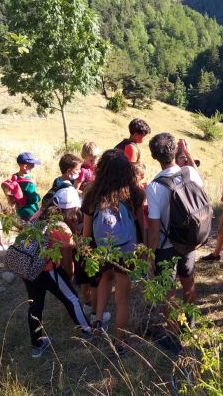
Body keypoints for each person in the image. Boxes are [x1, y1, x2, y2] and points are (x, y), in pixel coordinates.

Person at [81, 150, 146, 355]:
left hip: (102, 248)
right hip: (126, 249)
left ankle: (98, 320)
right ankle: (120, 342)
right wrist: (144, 248)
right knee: (122, 298)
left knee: (106, 278)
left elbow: (86, 230)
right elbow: (140, 224)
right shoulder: (135, 192)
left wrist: (85, 251)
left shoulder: (92, 193)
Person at [146, 134, 203, 354]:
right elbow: (197, 175)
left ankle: (172, 334)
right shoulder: (190, 173)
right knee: (188, 282)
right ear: (175, 152)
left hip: (166, 246)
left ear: (154, 156)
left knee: (168, 291)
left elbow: (154, 227)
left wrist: (150, 255)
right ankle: (190, 322)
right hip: (188, 242)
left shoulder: (154, 187)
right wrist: (187, 151)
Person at [21, 186, 92, 358]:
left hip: (28, 267)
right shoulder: (61, 229)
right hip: (47, 269)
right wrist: (70, 275)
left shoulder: (38, 215)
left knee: (35, 305)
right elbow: (67, 262)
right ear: (71, 209)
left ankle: (37, 346)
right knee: (72, 299)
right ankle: (87, 331)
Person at [31, 154, 82, 221]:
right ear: (69, 171)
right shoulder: (64, 187)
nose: (80, 171)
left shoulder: (61, 180)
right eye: (77, 169)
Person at [12, 152, 42, 222]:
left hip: (19, 210)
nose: (34, 166)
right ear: (25, 167)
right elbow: (33, 199)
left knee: (23, 228)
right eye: (32, 165)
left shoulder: (15, 177)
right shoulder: (29, 183)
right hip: (30, 211)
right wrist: (38, 197)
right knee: (32, 229)